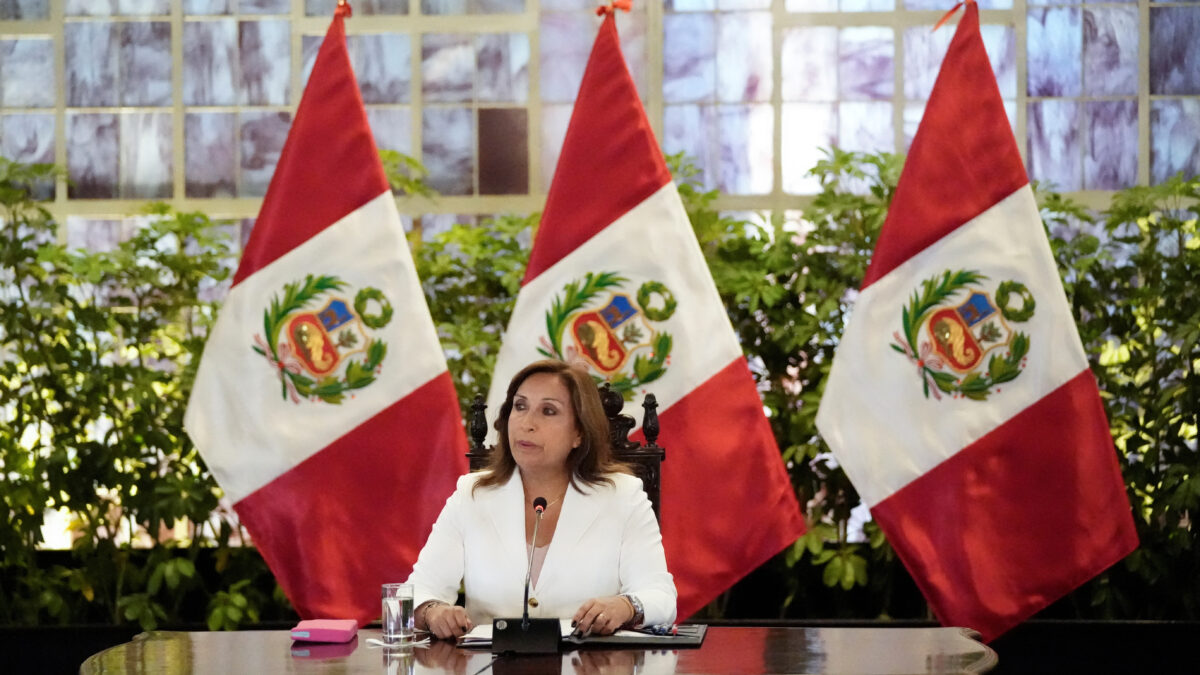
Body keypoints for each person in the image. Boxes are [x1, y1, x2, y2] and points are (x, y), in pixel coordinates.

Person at [406, 359, 677, 639]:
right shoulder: (472, 493)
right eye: (520, 407)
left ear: (579, 433)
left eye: (548, 411)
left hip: (588, 666)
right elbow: (416, 593)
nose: (527, 423)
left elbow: (661, 597)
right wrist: (432, 611)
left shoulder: (623, 495)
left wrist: (626, 606)